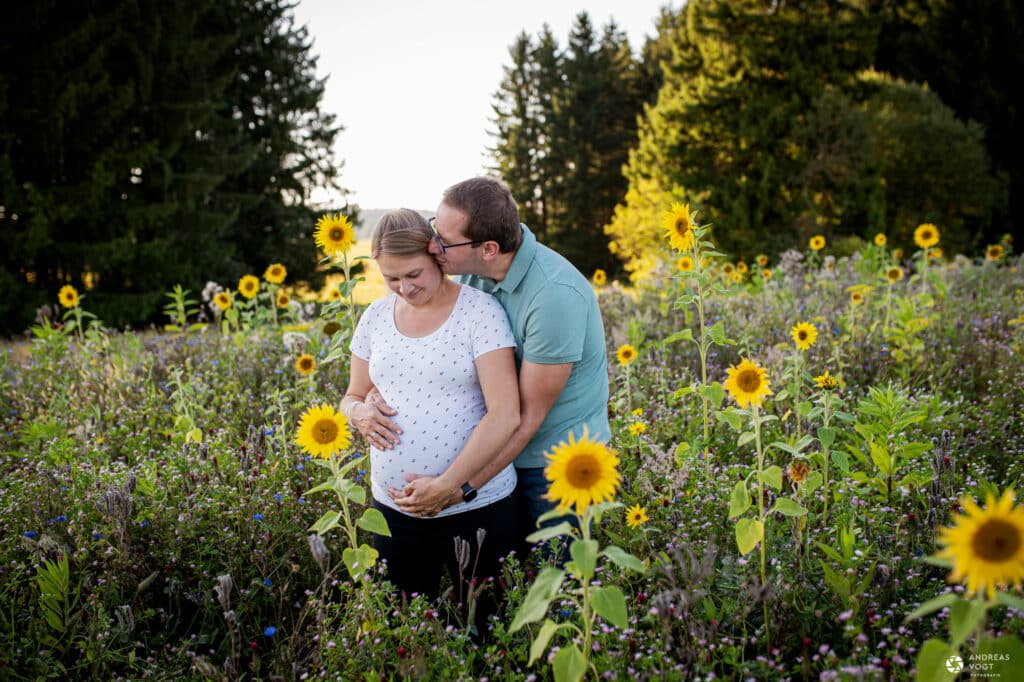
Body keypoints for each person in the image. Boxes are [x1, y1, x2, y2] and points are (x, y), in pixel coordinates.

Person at [352, 177, 611, 551]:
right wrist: (374, 395)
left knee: (558, 586)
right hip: (497, 457)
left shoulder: (554, 298)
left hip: (552, 464)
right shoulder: (472, 271)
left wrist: (461, 489)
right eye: (432, 229)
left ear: (488, 248)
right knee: (512, 589)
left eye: (442, 240)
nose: (432, 245)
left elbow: (523, 418)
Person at [340, 208, 520, 629]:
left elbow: (505, 414)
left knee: (483, 632)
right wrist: (360, 414)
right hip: (393, 511)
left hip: (477, 509)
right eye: (391, 278)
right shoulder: (375, 318)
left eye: (414, 273)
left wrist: (447, 486)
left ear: (436, 256)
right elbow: (350, 395)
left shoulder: (481, 313)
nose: (404, 288)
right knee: (401, 630)